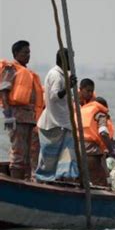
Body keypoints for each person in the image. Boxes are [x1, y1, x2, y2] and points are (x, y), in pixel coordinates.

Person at [0, 40, 44, 180]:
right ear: (16, 53)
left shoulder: (28, 72)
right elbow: (4, 91)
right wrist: (7, 114)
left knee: (29, 155)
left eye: (29, 53)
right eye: (25, 52)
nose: (28, 55)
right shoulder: (10, 68)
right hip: (17, 116)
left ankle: (27, 181)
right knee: (18, 153)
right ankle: (16, 183)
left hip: (30, 118)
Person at [35, 49, 79, 182]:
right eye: (71, 59)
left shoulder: (63, 75)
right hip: (54, 124)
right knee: (49, 158)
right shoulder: (55, 75)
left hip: (64, 123)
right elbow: (54, 96)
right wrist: (68, 87)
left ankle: (64, 179)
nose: (73, 63)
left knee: (68, 155)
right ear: (65, 61)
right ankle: (44, 180)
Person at [81, 96, 115, 186]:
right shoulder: (100, 114)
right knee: (101, 184)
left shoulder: (82, 112)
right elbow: (103, 132)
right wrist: (113, 152)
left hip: (75, 152)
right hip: (91, 154)